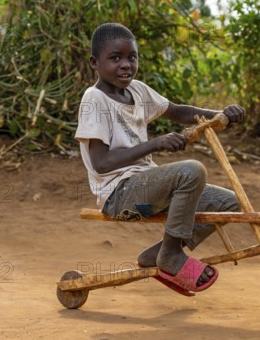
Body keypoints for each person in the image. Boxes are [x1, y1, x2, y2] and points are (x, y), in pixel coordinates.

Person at [75, 23, 244, 295]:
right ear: (95, 62)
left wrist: (220, 114)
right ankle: (172, 256)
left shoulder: (138, 91)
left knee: (228, 203)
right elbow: (101, 163)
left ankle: (162, 251)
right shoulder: (94, 99)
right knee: (191, 170)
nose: (126, 65)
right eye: (115, 58)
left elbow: (178, 112)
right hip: (119, 194)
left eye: (132, 57)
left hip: (147, 186)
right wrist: (155, 143)